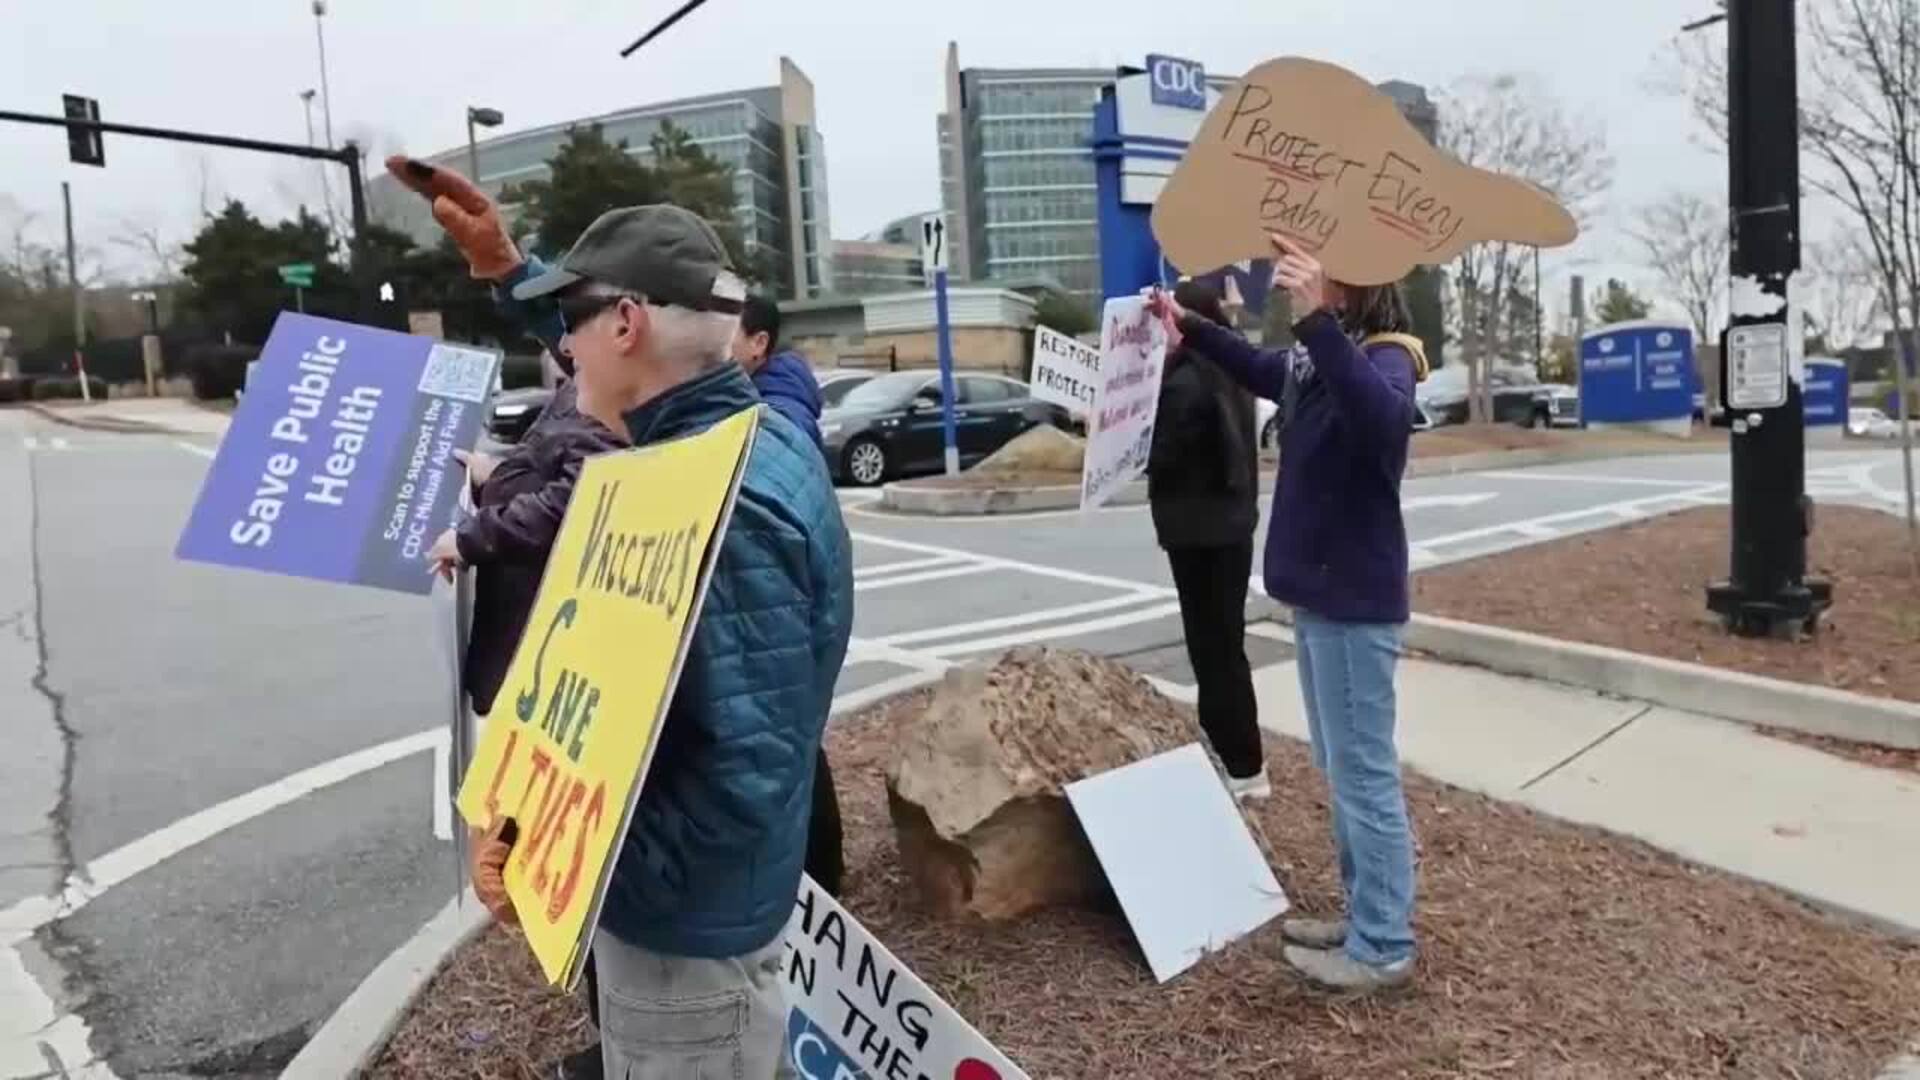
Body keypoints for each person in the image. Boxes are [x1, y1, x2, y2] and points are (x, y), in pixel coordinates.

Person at [384, 158, 849, 1077]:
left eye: (571, 330)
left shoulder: (714, 504)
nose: (561, 354)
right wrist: (510, 267)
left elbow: (740, 783)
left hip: (685, 942)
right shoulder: (733, 439)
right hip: (707, 917)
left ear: (627, 326)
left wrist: (561, 853)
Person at [1148, 233, 1428, 994]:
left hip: (1354, 602)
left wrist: (1315, 325)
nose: (1298, 275)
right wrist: (1193, 327)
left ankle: (1383, 943)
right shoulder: (1323, 353)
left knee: (1364, 773)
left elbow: (1384, 426)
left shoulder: (1386, 357)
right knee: (1344, 769)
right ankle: (1366, 912)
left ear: (1356, 283)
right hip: (1320, 597)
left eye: (1322, 267)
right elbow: (1267, 370)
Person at [1146, 279, 1266, 801]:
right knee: (1226, 647)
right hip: (1230, 526)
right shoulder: (1227, 368)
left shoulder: (1185, 381)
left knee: (1212, 651)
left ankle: (1238, 765)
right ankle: (1238, 758)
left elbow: (1162, 455)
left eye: (1164, 320)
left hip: (1201, 533)